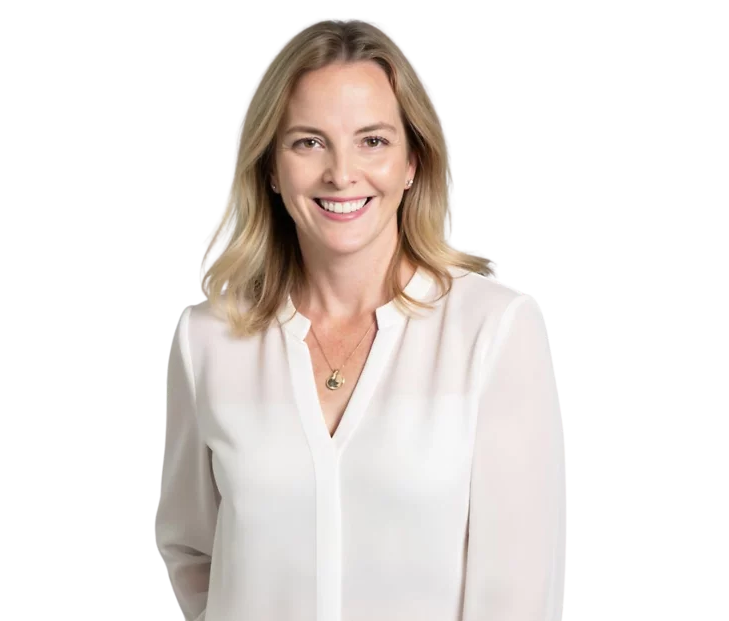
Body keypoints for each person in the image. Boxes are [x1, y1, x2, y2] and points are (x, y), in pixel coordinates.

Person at [157, 16, 565, 621]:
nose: (341, 173)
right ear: (270, 167)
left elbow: (519, 593)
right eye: (308, 142)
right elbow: (192, 554)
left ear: (412, 162)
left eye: (372, 141)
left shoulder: (496, 330)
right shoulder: (208, 339)